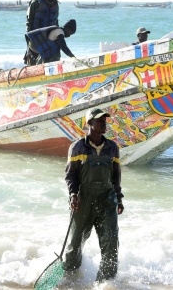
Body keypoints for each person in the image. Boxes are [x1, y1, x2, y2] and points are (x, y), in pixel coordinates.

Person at [64, 108, 124, 282]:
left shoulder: (112, 147)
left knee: (111, 242)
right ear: (89, 123)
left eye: (105, 119)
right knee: (75, 243)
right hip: (83, 200)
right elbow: (71, 175)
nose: (104, 122)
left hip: (107, 199)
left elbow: (116, 175)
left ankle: (106, 282)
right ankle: (70, 278)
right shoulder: (77, 147)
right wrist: (73, 195)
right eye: (99, 120)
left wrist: (118, 198)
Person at [24, 0, 60, 65]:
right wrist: (29, 36)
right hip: (35, 36)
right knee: (33, 59)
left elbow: (55, 21)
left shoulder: (55, 5)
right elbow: (29, 20)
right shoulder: (36, 2)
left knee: (51, 58)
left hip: (48, 37)